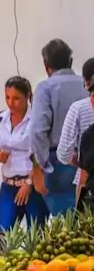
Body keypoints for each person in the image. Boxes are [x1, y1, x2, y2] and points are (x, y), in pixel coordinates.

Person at [30, 39, 88, 215]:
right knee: (86, 224)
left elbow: (38, 131)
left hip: (58, 161)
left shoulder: (45, 88)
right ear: (70, 61)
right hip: (88, 161)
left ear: (46, 65)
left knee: (65, 229)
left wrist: (41, 165)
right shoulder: (86, 84)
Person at [0, 76, 47, 231]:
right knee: (6, 233)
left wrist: (29, 183)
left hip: (33, 185)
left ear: (28, 96)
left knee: (36, 233)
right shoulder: (0, 119)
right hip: (9, 185)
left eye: (16, 98)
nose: (10, 103)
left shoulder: (37, 120)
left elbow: (42, 155)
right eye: (7, 97)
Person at [56, 58, 94, 208]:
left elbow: (64, 153)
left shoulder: (78, 109)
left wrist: (83, 160)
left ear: (87, 82)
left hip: (88, 184)